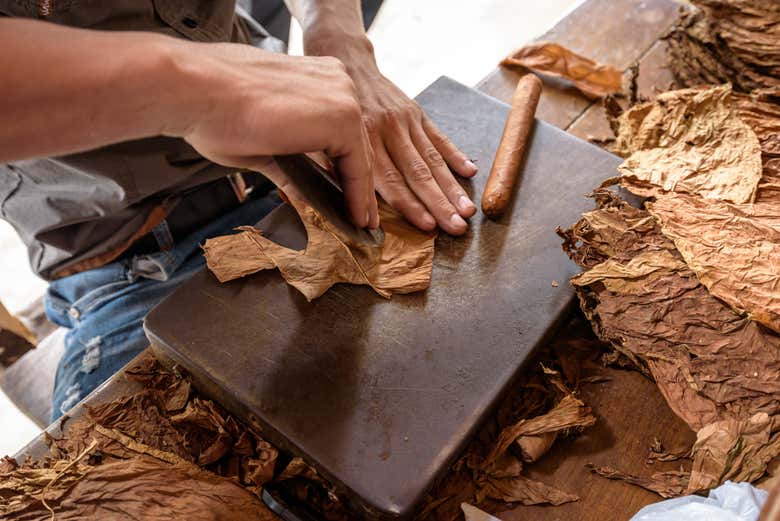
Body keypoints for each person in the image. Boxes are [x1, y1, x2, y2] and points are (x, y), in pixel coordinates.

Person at [0, 0, 479, 420]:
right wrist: (190, 90)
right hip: (129, 254)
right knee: (107, 468)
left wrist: (340, 40)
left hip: (303, 153)